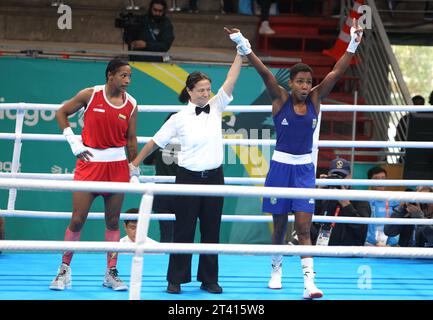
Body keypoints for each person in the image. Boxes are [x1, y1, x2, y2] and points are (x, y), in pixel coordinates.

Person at [228, 19, 363, 299]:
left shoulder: (315, 100)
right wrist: (243, 44)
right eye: (300, 81)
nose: (304, 86)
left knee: (303, 227)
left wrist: (353, 43)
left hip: (303, 170)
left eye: (308, 82)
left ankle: (309, 282)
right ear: (291, 83)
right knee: (279, 226)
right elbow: (264, 71)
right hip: (279, 168)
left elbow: (336, 73)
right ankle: (276, 269)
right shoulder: (280, 98)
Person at [129, 29, 242, 294]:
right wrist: (134, 163)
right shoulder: (178, 118)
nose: (206, 93)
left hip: (215, 177)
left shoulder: (216, 106)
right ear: (189, 91)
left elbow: (231, 79)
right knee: (183, 229)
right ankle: (175, 279)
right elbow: (155, 142)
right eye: (201, 90)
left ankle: (209, 279)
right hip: (187, 178)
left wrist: (240, 49)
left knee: (211, 230)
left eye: (208, 89)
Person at [49, 58, 138, 291]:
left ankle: (111, 272)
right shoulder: (90, 94)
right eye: (123, 75)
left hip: (118, 167)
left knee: (112, 220)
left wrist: (134, 168)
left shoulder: (131, 104)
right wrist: (73, 143)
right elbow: (61, 113)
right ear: (110, 75)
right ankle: (63, 269)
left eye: (129, 76)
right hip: (89, 165)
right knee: (77, 220)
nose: (127, 80)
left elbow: (131, 139)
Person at [311, 158, 371, 247]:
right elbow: (310, 225)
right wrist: (318, 195)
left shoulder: (360, 198)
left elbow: (362, 230)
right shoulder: (325, 196)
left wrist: (346, 204)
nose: (338, 180)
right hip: (322, 253)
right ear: (328, 176)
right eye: (334, 176)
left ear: (350, 177)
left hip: (347, 256)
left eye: (342, 176)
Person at [142, 113, 178, 243]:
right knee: (182, 229)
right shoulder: (188, 145)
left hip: (163, 192)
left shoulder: (159, 144)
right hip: (181, 191)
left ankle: (167, 260)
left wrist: (160, 160)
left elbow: (146, 160)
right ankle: (178, 260)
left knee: (166, 230)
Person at [364, 166, 399, 247]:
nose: (380, 181)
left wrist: (390, 244)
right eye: (376, 178)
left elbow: (396, 224)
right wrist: (375, 243)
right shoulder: (364, 199)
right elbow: (362, 226)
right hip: (367, 243)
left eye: (383, 178)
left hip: (389, 245)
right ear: (369, 181)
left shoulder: (393, 200)